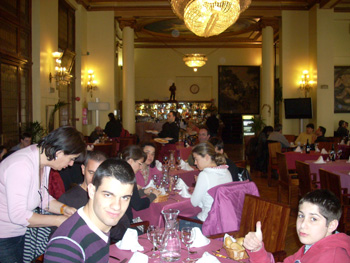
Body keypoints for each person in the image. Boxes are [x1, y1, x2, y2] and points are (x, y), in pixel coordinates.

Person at [0, 126, 86, 263]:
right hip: (4, 236)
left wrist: (64, 209)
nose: (71, 164)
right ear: (59, 152)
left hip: (17, 233)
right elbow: (18, 215)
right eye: (71, 158)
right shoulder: (21, 166)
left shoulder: (43, 160)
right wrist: (58, 220)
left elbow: (43, 199)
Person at [44, 159, 135, 262]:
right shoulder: (67, 245)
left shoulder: (99, 227)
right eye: (108, 195)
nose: (117, 206)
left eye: (125, 198)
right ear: (91, 191)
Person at [243, 189, 350, 263]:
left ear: (332, 225)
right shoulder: (311, 246)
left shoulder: (331, 258)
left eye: (313, 219)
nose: (302, 225)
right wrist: (257, 249)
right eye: (301, 216)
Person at [58, 151, 130, 243]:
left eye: (100, 174)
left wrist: (105, 222)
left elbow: (124, 230)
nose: (94, 178)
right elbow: (57, 235)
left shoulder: (111, 196)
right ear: (83, 169)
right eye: (91, 172)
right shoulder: (67, 199)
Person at [189, 142, 232, 224]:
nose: (195, 163)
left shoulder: (204, 175)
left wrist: (198, 183)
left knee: (180, 222)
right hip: (224, 220)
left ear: (207, 157)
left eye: (196, 159)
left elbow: (194, 203)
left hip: (208, 221)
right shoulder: (227, 171)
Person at [119, 145, 161, 223]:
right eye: (139, 164)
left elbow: (131, 196)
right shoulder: (129, 178)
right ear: (130, 161)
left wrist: (143, 192)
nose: (140, 168)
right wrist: (153, 196)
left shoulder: (120, 173)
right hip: (124, 223)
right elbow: (138, 205)